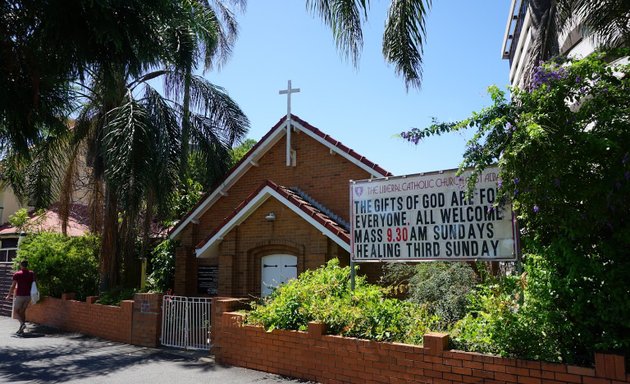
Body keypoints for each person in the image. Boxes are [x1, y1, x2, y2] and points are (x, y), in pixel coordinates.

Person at [5, 260, 36, 335]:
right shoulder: (32, 273)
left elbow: (12, 286)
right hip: (28, 296)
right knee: (22, 312)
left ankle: (22, 324)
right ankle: (21, 330)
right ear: (27, 265)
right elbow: (34, 283)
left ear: (21, 265)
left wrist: (9, 295)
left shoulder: (17, 274)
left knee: (16, 311)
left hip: (20, 296)